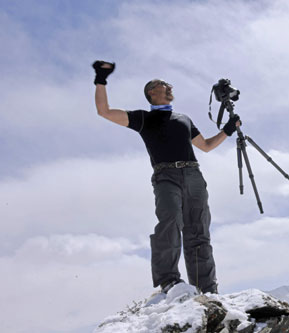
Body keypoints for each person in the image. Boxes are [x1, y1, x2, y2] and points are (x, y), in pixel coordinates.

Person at [92, 60, 240, 294]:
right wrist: (101, 79)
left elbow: (207, 146)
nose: (169, 87)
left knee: (199, 232)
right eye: (163, 85)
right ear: (151, 92)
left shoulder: (183, 119)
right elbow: (104, 112)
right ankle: (170, 281)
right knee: (170, 223)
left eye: (169, 85)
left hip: (194, 174)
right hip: (165, 176)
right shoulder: (143, 118)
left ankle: (207, 289)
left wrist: (228, 130)